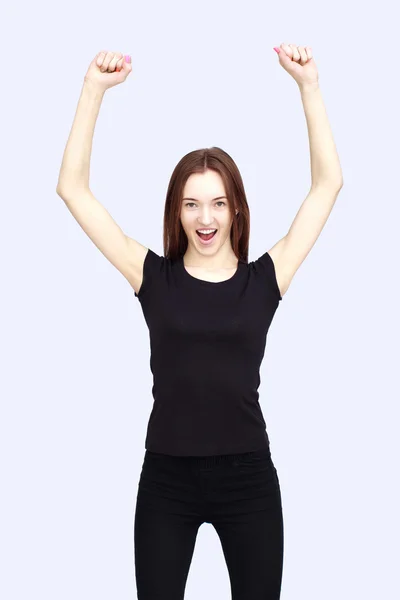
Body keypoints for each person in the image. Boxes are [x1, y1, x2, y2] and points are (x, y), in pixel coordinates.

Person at [56, 46, 343, 600]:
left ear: (236, 208)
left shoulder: (265, 279)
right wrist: (92, 89)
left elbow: (327, 185)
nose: (205, 218)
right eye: (191, 204)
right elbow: (72, 188)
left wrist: (308, 86)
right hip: (167, 479)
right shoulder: (152, 278)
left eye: (217, 203)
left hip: (248, 480)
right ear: (177, 211)